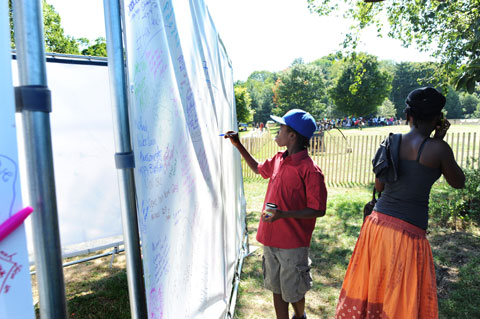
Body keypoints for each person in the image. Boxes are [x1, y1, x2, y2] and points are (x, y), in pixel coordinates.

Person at [335, 87, 465, 319]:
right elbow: (458, 182)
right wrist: (438, 141)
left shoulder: (390, 142)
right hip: (408, 236)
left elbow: (380, 187)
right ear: (438, 118)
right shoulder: (439, 150)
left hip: (377, 228)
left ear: (409, 117)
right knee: (399, 299)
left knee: (375, 288)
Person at [224, 109, 328, 319]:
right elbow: (258, 169)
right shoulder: (279, 159)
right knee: (276, 287)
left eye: (280, 127)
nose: (276, 131)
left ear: (292, 135)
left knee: (294, 290)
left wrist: (283, 215)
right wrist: (238, 144)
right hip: (270, 239)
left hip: (293, 244)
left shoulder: (310, 170)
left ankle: (300, 316)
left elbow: (318, 209)